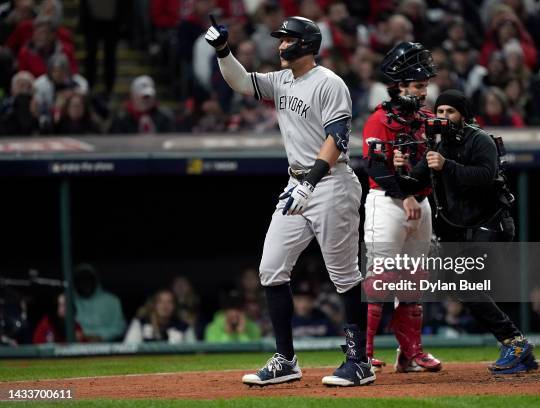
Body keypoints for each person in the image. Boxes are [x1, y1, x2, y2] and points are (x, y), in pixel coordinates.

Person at [204, 15, 373, 387]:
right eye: (280, 39)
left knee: (344, 276)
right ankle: (286, 360)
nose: (280, 45)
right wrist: (222, 51)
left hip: (330, 183)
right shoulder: (281, 80)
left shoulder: (329, 83)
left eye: (287, 39)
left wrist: (309, 184)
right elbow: (241, 82)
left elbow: (339, 139)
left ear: (306, 45)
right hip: (295, 183)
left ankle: (359, 361)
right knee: (271, 268)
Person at [405, 89, 538, 374]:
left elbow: (485, 176)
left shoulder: (481, 139)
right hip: (469, 229)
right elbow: (413, 180)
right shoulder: (439, 146)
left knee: (466, 285)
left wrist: (447, 165)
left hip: (494, 224)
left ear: (462, 115)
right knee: (462, 286)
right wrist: (399, 167)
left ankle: (514, 342)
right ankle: (517, 347)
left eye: (449, 112)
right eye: (439, 112)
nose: (443, 117)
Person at [361, 42, 442, 373]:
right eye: (419, 85)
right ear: (399, 85)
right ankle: (361, 355)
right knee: (380, 278)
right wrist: (405, 194)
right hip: (388, 202)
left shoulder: (427, 119)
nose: (424, 91)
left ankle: (410, 353)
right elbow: (375, 167)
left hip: (420, 203)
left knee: (413, 281)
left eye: (425, 85)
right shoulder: (379, 119)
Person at [73, 263, 126, 342]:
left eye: (88, 279)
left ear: (95, 280)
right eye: (81, 279)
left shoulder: (112, 301)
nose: (85, 283)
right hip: (76, 347)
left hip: (107, 347)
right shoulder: (68, 302)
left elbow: (120, 327)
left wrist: (101, 337)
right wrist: (83, 336)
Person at [124, 289, 196, 344]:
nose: (165, 306)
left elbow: (195, 352)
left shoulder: (184, 327)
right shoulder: (140, 323)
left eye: (169, 302)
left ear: (175, 306)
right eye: (160, 301)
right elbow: (129, 348)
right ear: (154, 304)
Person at [109, 75, 175, 134]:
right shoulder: (121, 120)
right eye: (143, 96)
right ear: (132, 96)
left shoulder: (165, 117)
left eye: (149, 96)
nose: (146, 99)